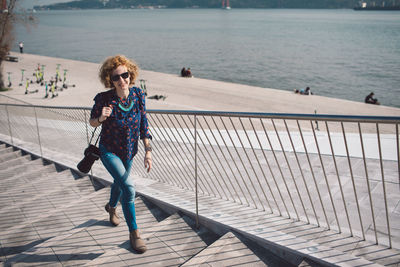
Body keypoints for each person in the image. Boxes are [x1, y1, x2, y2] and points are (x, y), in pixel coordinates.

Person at [89, 55, 152, 254]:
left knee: (119, 182)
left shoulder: (138, 95)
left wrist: (148, 151)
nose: (121, 80)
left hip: (129, 151)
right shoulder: (104, 99)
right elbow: (92, 122)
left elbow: (144, 124)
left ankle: (111, 207)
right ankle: (135, 234)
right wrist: (101, 117)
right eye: (116, 77)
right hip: (109, 151)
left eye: (124, 75)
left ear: (130, 74)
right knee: (128, 187)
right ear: (111, 80)